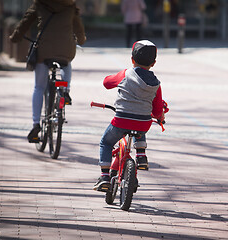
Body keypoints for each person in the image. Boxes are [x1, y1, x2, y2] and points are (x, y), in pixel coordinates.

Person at [9, 0, 86, 143]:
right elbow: (78, 27)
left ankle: (35, 124)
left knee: (39, 87)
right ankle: (65, 91)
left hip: (44, 50)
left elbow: (25, 21)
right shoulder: (70, 5)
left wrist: (16, 37)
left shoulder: (40, 4)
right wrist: (81, 39)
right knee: (66, 62)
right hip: (66, 48)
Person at [93, 40, 165, 192]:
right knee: (141, 124)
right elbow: (158, 109)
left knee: (105, 143)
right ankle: (141, 155)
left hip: (121, 120)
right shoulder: (156, 84)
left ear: (132, 59)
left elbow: (106, 83)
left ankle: (104, 177)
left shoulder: (125, 74)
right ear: (153, 63)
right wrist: (160, 117)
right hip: (143, 123)